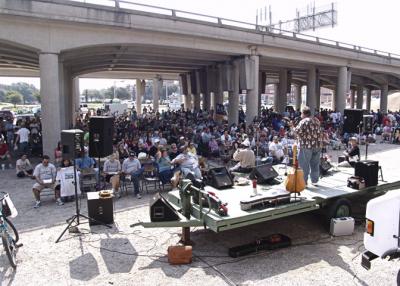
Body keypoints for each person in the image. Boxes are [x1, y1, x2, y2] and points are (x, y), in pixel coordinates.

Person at [294, 106, 322, 186]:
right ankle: (315, 181)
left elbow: (297, 132)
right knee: (315, 164)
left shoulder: (303, 121)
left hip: (306, 146)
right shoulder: (316, 120)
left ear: (303, 113)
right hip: (317, 145)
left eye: (301, 114)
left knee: (304, 165)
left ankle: (304, 182)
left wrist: (293, 129)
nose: (300, 115)